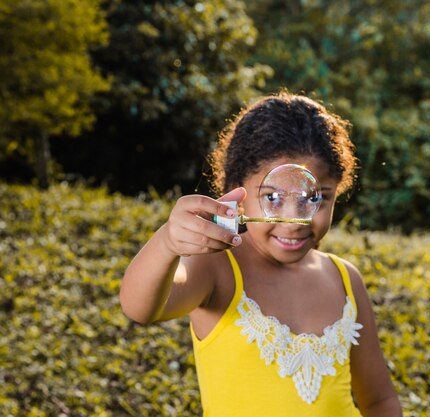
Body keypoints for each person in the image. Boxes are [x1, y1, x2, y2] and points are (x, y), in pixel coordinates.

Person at [120, 92, 402, 417]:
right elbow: (140, 308)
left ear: (337, 192)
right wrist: (167, 243)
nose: (293, 219)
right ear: (238, 194)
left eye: (315, 198)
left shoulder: (345, 279)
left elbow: (380, 399)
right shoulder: (217, 269)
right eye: (273, 197)